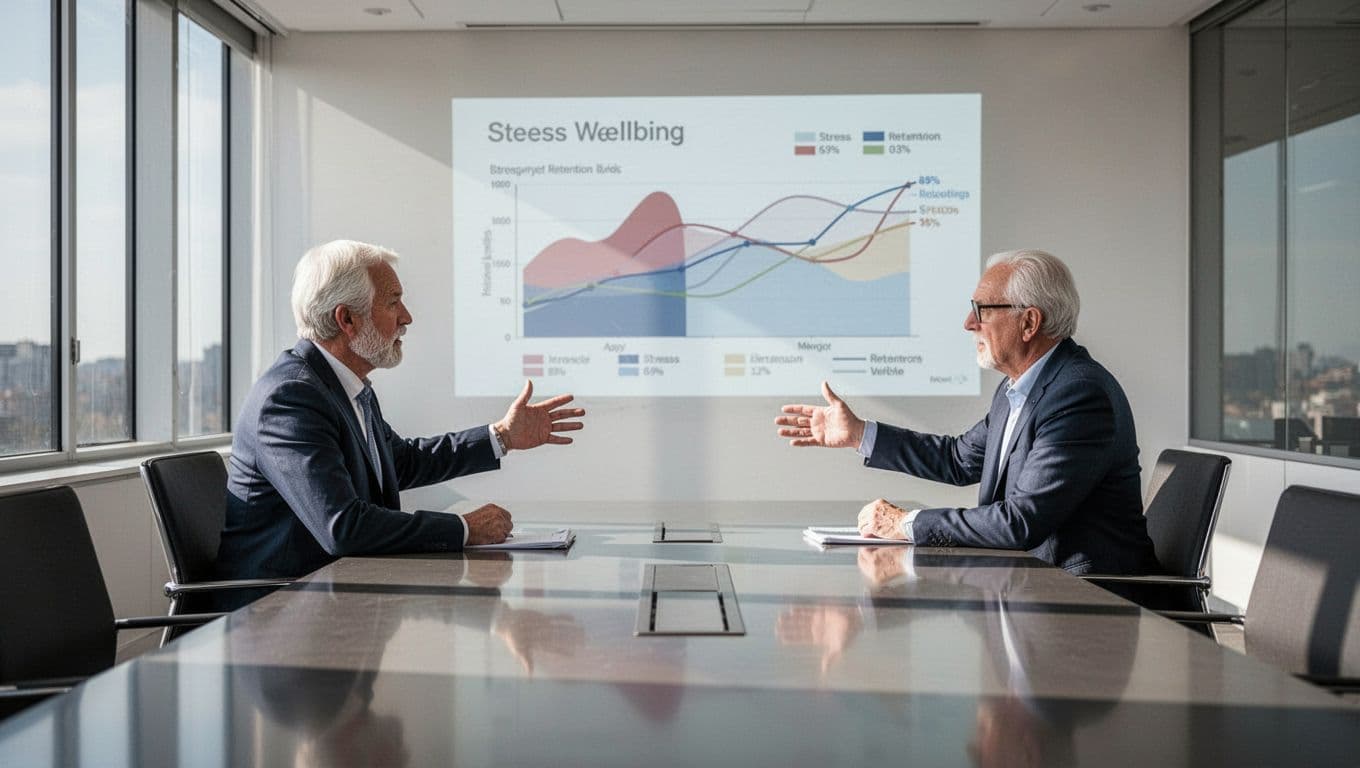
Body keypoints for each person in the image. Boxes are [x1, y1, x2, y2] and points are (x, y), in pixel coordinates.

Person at [216, 240, 585, 606]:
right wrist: (464, 529)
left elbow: (399, 463)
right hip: (272, 615)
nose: (406, 317)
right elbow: (343, 527)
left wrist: (502, 436)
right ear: (346, 319)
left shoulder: (344, 387)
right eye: (393, 303)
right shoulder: (290, 398)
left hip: (337, 596)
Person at [775, 249, 1156, 576]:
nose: (968, 323)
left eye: (981, 310)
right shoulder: (1018, 389)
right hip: (1028, 586)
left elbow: (1020, 523)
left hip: (1088, 604)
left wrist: (904, 523)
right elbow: (958, 459)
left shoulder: (1078, 395)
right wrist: (859, 433)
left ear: (1029, 323)